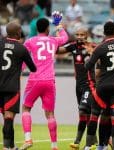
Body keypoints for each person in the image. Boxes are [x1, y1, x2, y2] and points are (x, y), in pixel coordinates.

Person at [20, 13, 68, 150]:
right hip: (49, 81)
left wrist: (21, 70)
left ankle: (28, 140)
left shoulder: (30, 41)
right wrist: (58, 25)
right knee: (50, 114)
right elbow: (64, 38)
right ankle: (54, 146)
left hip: (34, 80)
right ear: (47, 29)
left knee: (26, 108)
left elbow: (24, 57)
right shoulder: (53, 40)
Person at [84, 21, 114, 150]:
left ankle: (88, 146)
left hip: (103, 86)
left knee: (95, 115)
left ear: (104, 33)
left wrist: (90, 56)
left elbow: (88, 66)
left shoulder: (100, 48)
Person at [57, 26, 96, 150]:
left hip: (89, 85)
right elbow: (58, 50)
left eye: (82, 35)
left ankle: (82, 142)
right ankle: (93, 142)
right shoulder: (73, 46)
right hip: (78, 86)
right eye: (78, 34)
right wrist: (57, 37)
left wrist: (92, 53)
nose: (80, 37)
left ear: (87, 35)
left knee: (83, 111)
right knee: (85, 115)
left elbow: (103, 55)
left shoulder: (92, 46)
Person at [0, 21, 36, 150]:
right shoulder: (21, 48)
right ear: (17, 33)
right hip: (12, 87)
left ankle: (11, 145)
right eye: (20, 30)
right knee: (9, 117)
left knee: (6, 118)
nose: (21, 32)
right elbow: (33, 68)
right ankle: (6, 147)